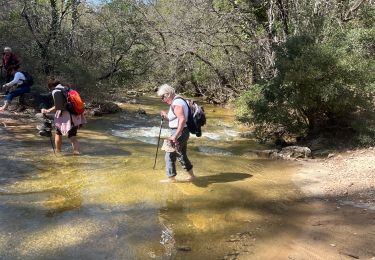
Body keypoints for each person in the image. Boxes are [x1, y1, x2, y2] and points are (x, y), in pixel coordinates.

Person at [157, 83, 195, 183]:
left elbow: (182, 120)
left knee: (169, 155)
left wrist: (175, 135)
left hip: (179, 132)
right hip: (183, 131)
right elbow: (176, 119)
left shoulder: (176, 103)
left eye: (162, 97)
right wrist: (166, 116)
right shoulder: (179, 100)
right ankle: (192, 176)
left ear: (168, 94)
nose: (162, 100)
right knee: (181, 155)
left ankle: (171, 179)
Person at [40, 77, 86, 155]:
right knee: (73, 136)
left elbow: (58, 106)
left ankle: (58, 152)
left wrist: (47, 110)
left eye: (50, 89)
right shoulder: (69, 89)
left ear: (51, 86)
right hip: (75, 115)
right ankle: (77, 154)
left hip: (65, 117)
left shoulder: (56, 91)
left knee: (58, 133)